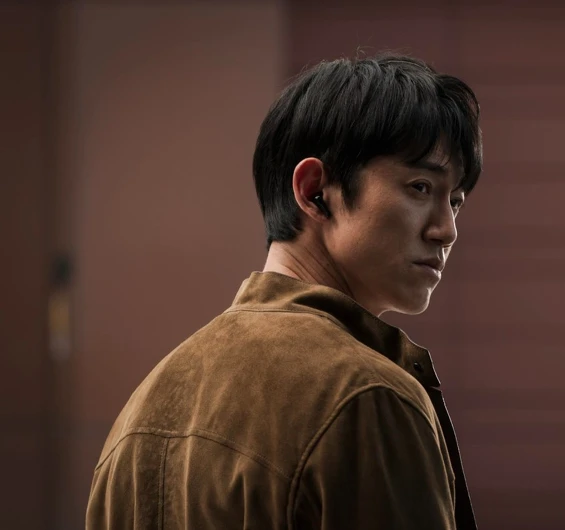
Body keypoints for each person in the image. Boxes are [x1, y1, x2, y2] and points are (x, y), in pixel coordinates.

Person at [86, 53, 483, 529]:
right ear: (315, 191)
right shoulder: (368, 397)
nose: (446, 230)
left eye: (455, 202)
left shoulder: (139, 412)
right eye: (420, 188)